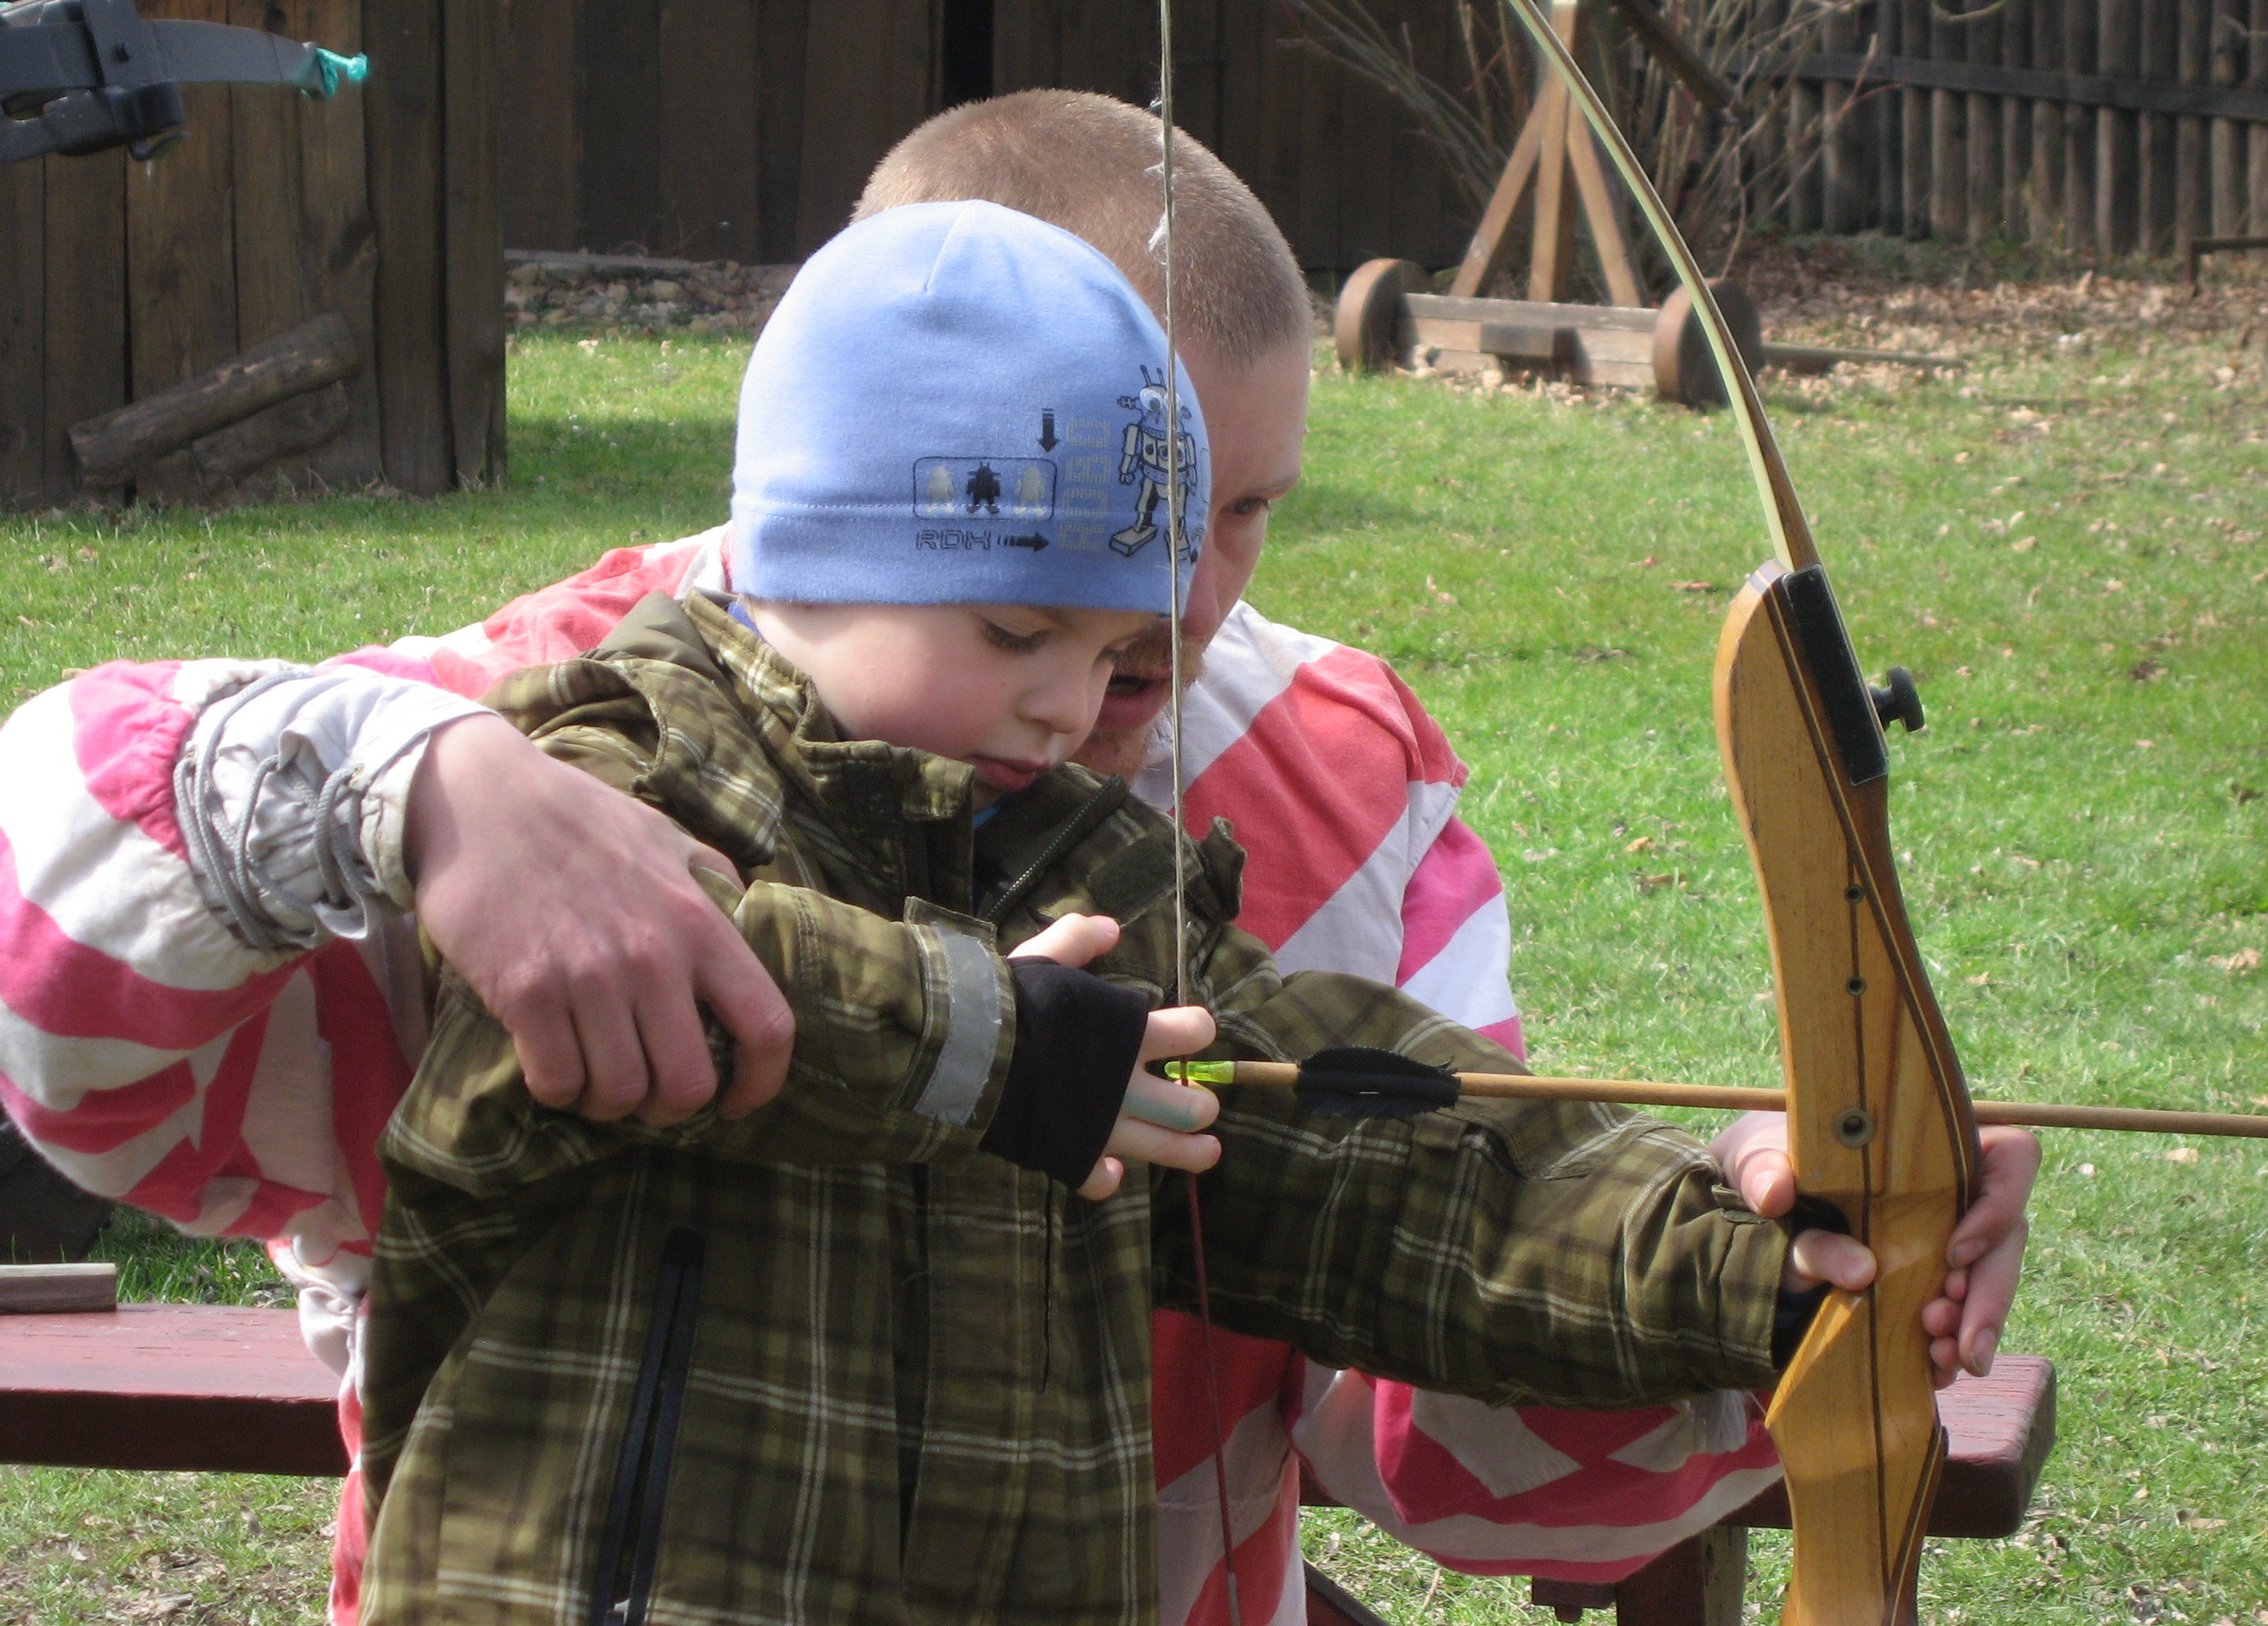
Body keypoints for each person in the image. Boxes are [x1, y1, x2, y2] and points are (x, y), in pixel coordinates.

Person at [0, 91, 2038, 1626]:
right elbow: (77, 1012)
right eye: (1026, 604)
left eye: (1239, 515)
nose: (1164, 635)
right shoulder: (540, 749)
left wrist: (1766, 1250)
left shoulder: (1270, 797)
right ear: (850, 510)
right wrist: (420, 789)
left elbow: (1412, 1284)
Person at [358, 196, 1855, 1626]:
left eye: (1110, 652)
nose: (1071, 706)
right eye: (1019, 631)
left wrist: (1757, 1262)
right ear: (815, 552)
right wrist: (990, 1049)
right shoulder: (604, 777)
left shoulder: (1083, 869)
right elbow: (689, 989)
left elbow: (1377, 1171)